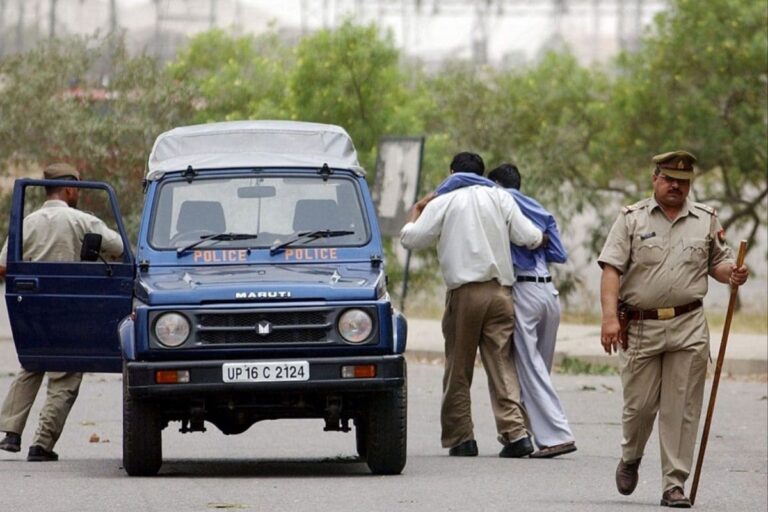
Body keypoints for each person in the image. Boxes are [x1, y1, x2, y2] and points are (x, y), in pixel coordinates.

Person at [597, 151, 748, 508]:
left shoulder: (705, 219)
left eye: (683, 182)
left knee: (681, 408)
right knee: (639, 408)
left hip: (688, 325)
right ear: (655, 179)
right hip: (641, 326)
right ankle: (631, 456)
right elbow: (611, 270)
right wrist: (608, 318)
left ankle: (673, 484)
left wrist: (733, 274)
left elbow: (719, 263)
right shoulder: (631, 219)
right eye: (669, 179)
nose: (676, 186)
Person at [400, 151, 543, 458]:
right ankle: (516, 434)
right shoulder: (501, 198)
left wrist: (416, 211)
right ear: (482, 173)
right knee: (502, 363)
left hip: (465, 295)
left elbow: (411, 240)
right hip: (500, 293)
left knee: (458, 368)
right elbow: (529, 236)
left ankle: (462, 437)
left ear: (452, 172)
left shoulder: (443, 201)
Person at [0, 162, 124, 462]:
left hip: (33, 307)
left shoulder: (27, 222)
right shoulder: (83, 221)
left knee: (32, 363)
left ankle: (10, 432)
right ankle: (41, 444)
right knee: (66, 374)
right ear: (70, 189)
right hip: (71, 308)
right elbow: (118, 248)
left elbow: (4, 264)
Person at [486, 163, 576, 458]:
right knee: (541, 368)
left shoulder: (501, 201)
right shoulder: (537, 208)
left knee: (529, 366)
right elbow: (558, 253)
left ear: (497, 184)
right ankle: (527, 432)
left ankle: (557, 436)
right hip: (549, 291)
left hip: (524, 290)